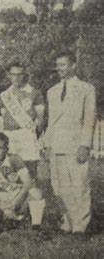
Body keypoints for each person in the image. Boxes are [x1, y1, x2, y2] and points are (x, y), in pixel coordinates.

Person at [44, 51, 96, 234]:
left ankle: (80, 226)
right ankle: (67, 221)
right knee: (59, 186)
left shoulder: (86, 89)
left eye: (63, 64)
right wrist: (47, 143)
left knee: (79, 185)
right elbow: (51, 121)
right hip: (57, 144)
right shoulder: (52, 91)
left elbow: (90, 119)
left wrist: (85, 145)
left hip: (75, 145)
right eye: (58, 65)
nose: (60, 69)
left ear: (73, 65)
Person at [0, 132, 45, 229]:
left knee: (36, 193)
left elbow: (27, 183)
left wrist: (13, 204)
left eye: (0, 148)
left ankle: (36, 227)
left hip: (16, 194)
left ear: (6, 149)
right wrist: (1, 205)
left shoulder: (15, 159)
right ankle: (1, 219)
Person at [0, 61, 45, 180]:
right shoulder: (4, 95)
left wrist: (34, 134)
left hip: (26, 134)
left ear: (25, 75)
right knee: (10, 170)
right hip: (9, 135)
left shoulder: (35, 93)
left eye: (20, 74)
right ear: (9, 75)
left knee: (30, 169)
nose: (16, 78)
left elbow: (40, 119)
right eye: (13, 74)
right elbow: (2, 118)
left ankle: (32, 195)